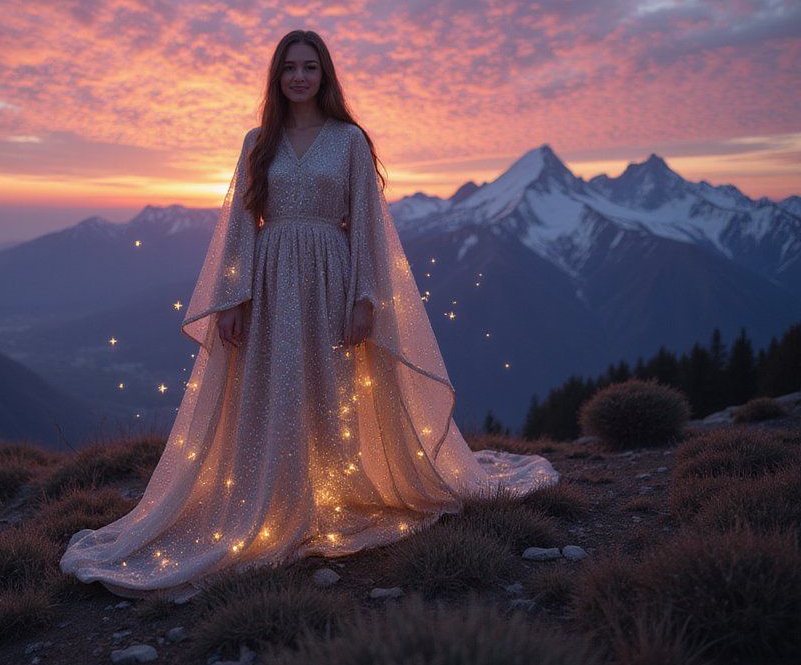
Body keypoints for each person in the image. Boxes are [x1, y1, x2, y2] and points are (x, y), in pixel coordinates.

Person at [59, 30, 559, 601]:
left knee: (330, 385)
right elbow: (241, 223)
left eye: (310, 67)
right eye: (290, 67)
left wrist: (365, 297)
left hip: (330, 275)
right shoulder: (257, 141)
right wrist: (233, 297)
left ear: (325, 75)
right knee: (273, 384)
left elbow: (367, 221)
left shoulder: (349, 140)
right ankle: (274, 496)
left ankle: (328, 491)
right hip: (269, 279)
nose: (299, 76)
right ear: (277, 76)